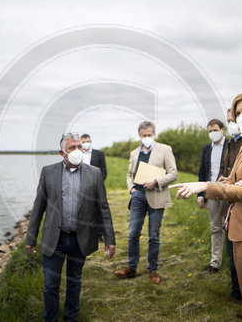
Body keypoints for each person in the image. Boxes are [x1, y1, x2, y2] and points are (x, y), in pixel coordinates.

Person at [170, 89, 242, 321]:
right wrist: (232, 184)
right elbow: (234, 182)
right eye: (237, 112)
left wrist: (207, 185)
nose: (240, 117)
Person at [25, 132, 116, 322]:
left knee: (74, 282)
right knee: (50, 285)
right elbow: (38, 207)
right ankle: (50, 319)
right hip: (54, 239)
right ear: (62, 153)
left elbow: (103, 208)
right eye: (72, 148)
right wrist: (30, 238)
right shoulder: (48, 172)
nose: (77, 151)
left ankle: (70, 318)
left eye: (79, 147)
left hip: (79, 238)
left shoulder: (95, 173)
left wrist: (110, 239)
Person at [115, 121, 178, 285]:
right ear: (140, 136)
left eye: (150, 135)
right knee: (133, 233)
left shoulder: (165, 150)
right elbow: (130, 174)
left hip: (156, 196)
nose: (147, 137)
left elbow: (173, 174)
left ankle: (153, 269)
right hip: (138, 197)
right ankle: (131, 267)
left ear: (154, 134)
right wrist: (131, 190)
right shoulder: (134, 153)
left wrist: (156, 181)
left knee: (154, 235)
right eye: (144, 135)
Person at [217, 109, 242, 303]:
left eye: (233, 120)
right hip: (231, 202)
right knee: (232, 250)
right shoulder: (231, 142)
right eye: (228, 120)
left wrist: (229, 183)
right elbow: (226, 168)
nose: (231, 124)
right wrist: (223, 180)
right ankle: (237, 292)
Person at [197, 119, 227, 274]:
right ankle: (215, 263)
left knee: (232, 228)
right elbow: (202, 172)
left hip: (229, 191)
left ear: (222, 130)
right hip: (211, 191)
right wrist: (200, 195)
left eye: (215, 130)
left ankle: (236, 261)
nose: (212, 133)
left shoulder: (231, 146)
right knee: (216, 228)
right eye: (209, 131)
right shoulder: (206, 149)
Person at [81, 133, 107, 242]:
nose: (86, 143)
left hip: (96, 187)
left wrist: (96, 184)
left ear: (90, 141)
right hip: (81, 188)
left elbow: (104, 171)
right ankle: (85, 234)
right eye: (84, 141)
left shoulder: (99, 154)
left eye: (87, 141)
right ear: (80, 142)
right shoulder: (77, 154)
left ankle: (99, 234)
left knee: (98, 212)